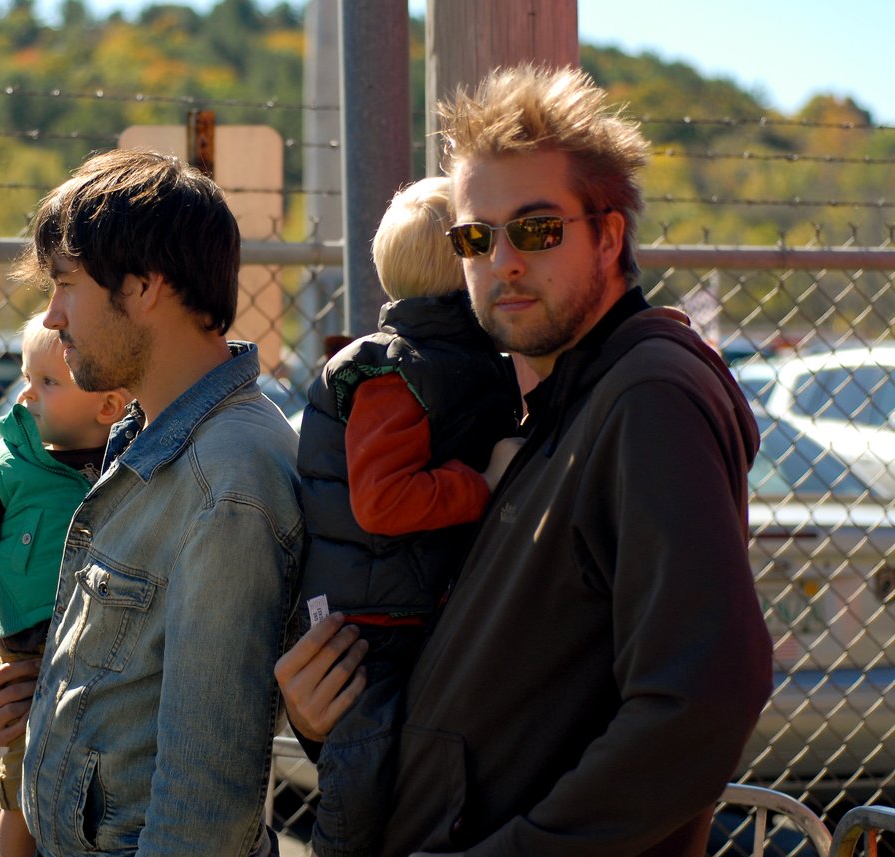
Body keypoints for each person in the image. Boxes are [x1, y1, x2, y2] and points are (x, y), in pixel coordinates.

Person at [276, 64, 773, 857]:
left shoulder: (648, 394)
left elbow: (701, 698)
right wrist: (328, 715)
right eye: (476, 236)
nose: (502, 260)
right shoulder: (556, 400)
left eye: (537, 230)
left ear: (609, 235)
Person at [0, 148, 304, 857]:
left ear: (147, 285)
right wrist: (47, 702)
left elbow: (202, 808)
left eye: (67, 285)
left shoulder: (229, 479)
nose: (54, 316)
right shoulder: (147, 433)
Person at [295, 176, 520, 857]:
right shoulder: (393, 371)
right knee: (365, 759)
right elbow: (382, 499)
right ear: (465, 262)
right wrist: (480, 483)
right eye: (483, 239)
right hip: (363, 624)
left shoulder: (464, 361)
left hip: (404, 604)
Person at [0, 313, 127, 857]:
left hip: (104, 645)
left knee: (96, 783)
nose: (29, 392)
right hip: (26, 653)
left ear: (108, 405)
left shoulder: (128, 463)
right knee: (22, 783)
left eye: (49, 381)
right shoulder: (6, 467)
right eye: (28, 376)